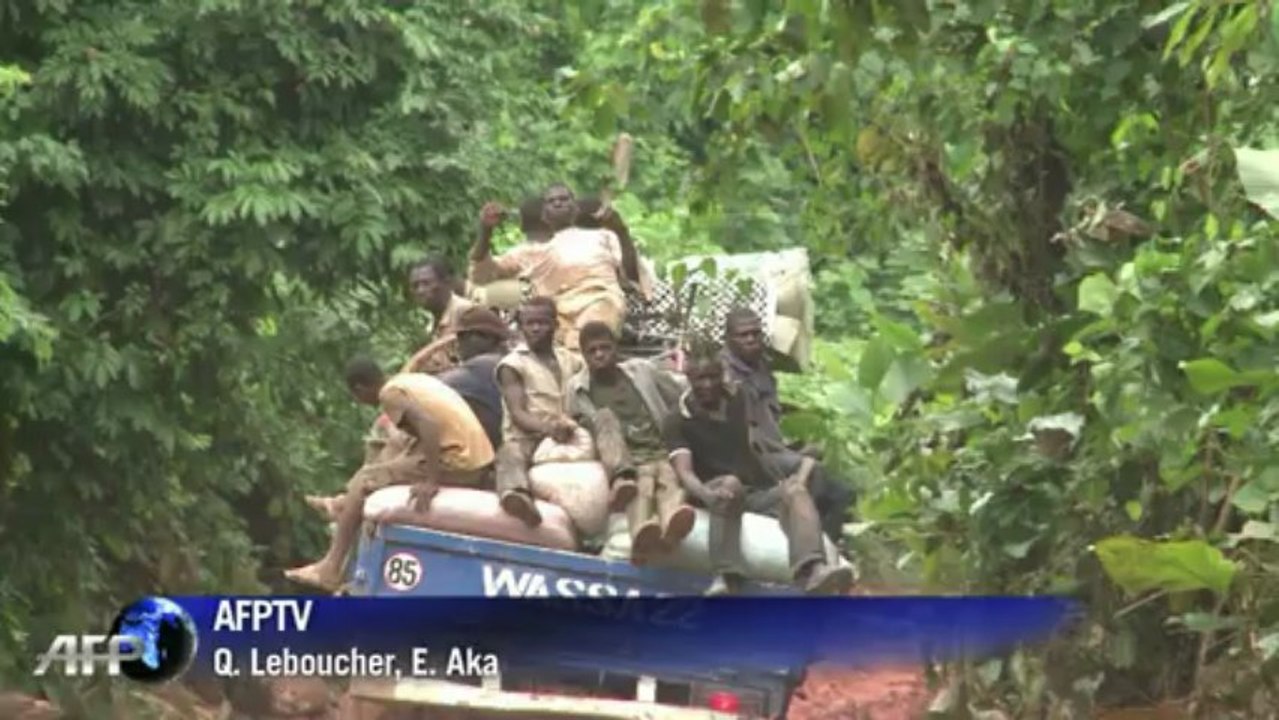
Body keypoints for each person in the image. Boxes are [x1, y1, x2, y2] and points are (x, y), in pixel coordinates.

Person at [285, 358, 495, 591]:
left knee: (367, 480)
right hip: (478, 458)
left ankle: (330, 568)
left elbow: (429, 425)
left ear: (360, 389)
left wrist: (431, 481)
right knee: (389, 463)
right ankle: (343, 505)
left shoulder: (390, 395)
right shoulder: (408, 381)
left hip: (460, 462)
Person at [663, 349, 855, 596]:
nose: (708, 384)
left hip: (755, 491)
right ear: (689, 378)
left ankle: (813, 569)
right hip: (716, 490)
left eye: (713, 377)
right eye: (700, 379)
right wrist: (706, 495)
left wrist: (791, 463)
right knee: (731, 483)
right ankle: (726, 576)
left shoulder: (738, 398)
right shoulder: (677, 419)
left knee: (795, 489)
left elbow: (756, 441)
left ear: (721, 375)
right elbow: (685, 473)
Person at [566, 322, 695, 561]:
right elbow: (575, 424)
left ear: (616, 348)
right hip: (628, 460)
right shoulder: (577, 389)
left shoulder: (641, 370)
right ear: (583, 355)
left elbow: (679, 390)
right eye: (592, 351)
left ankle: (671, 527)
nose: (600, 355)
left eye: (605, 348)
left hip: (660, 450)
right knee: (641, 487)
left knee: (668, 480)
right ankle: (641, 536)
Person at [469, 183, 640, 351]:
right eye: (551, 201)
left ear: (576, 208)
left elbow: (632, 275)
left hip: (600, 304)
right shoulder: (530, 252)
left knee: (586, 337)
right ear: (544, 214)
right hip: (556, 319)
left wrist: (622, 231)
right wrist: (485, 231)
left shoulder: (603, 236)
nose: (558, 203)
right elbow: (481, 275)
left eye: (564, 199)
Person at [493, 296, 585, 526]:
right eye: (529, 323)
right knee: (508, 454)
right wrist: (548, 429)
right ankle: (518, 496)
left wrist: (571, 424)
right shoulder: (512, 364)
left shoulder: (570, 360)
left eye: (542, 323)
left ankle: (623, 480)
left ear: (555, 325)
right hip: (527, 437)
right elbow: (518, 413)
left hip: (565, 433)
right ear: (521, 326)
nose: (535, 328)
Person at [437, 306, 509, 451]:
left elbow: (429, 387)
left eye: (465, 336)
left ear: (488, 338)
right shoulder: (506, 360)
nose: (459, 343)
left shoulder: (487, 364)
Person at [403, 257, 476, 374]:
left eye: (426, 283)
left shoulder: (467, 313)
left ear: (446, 282)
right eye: (415, 286)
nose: (420, 290)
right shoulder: (430, 325)